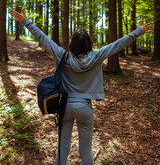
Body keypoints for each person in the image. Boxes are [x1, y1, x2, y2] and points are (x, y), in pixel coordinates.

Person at [11, 10, 154, 165]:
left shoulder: (62, 55)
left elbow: (42, 38)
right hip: (85, 107)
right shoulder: (96, 56)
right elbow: (118, 45)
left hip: (64, 107)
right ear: (89, 44)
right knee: (85, 150)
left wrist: (26, 21)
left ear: (72, 44)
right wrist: (138, 32)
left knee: (62, 148)